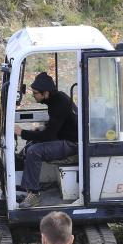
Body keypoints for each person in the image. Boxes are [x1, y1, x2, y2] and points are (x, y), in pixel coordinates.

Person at [14, 72, 78, 208]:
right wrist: (42, 129)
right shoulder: (55, 99)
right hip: (64, 138)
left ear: (46, 93)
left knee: (33, 151)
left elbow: (49, 136)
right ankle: (29, 188)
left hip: (72, 144)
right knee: (31, 144)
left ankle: (34, 195)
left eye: (36, 93)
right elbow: (57, 125)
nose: (33, 95)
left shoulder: (59, 102)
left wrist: (22, 132)